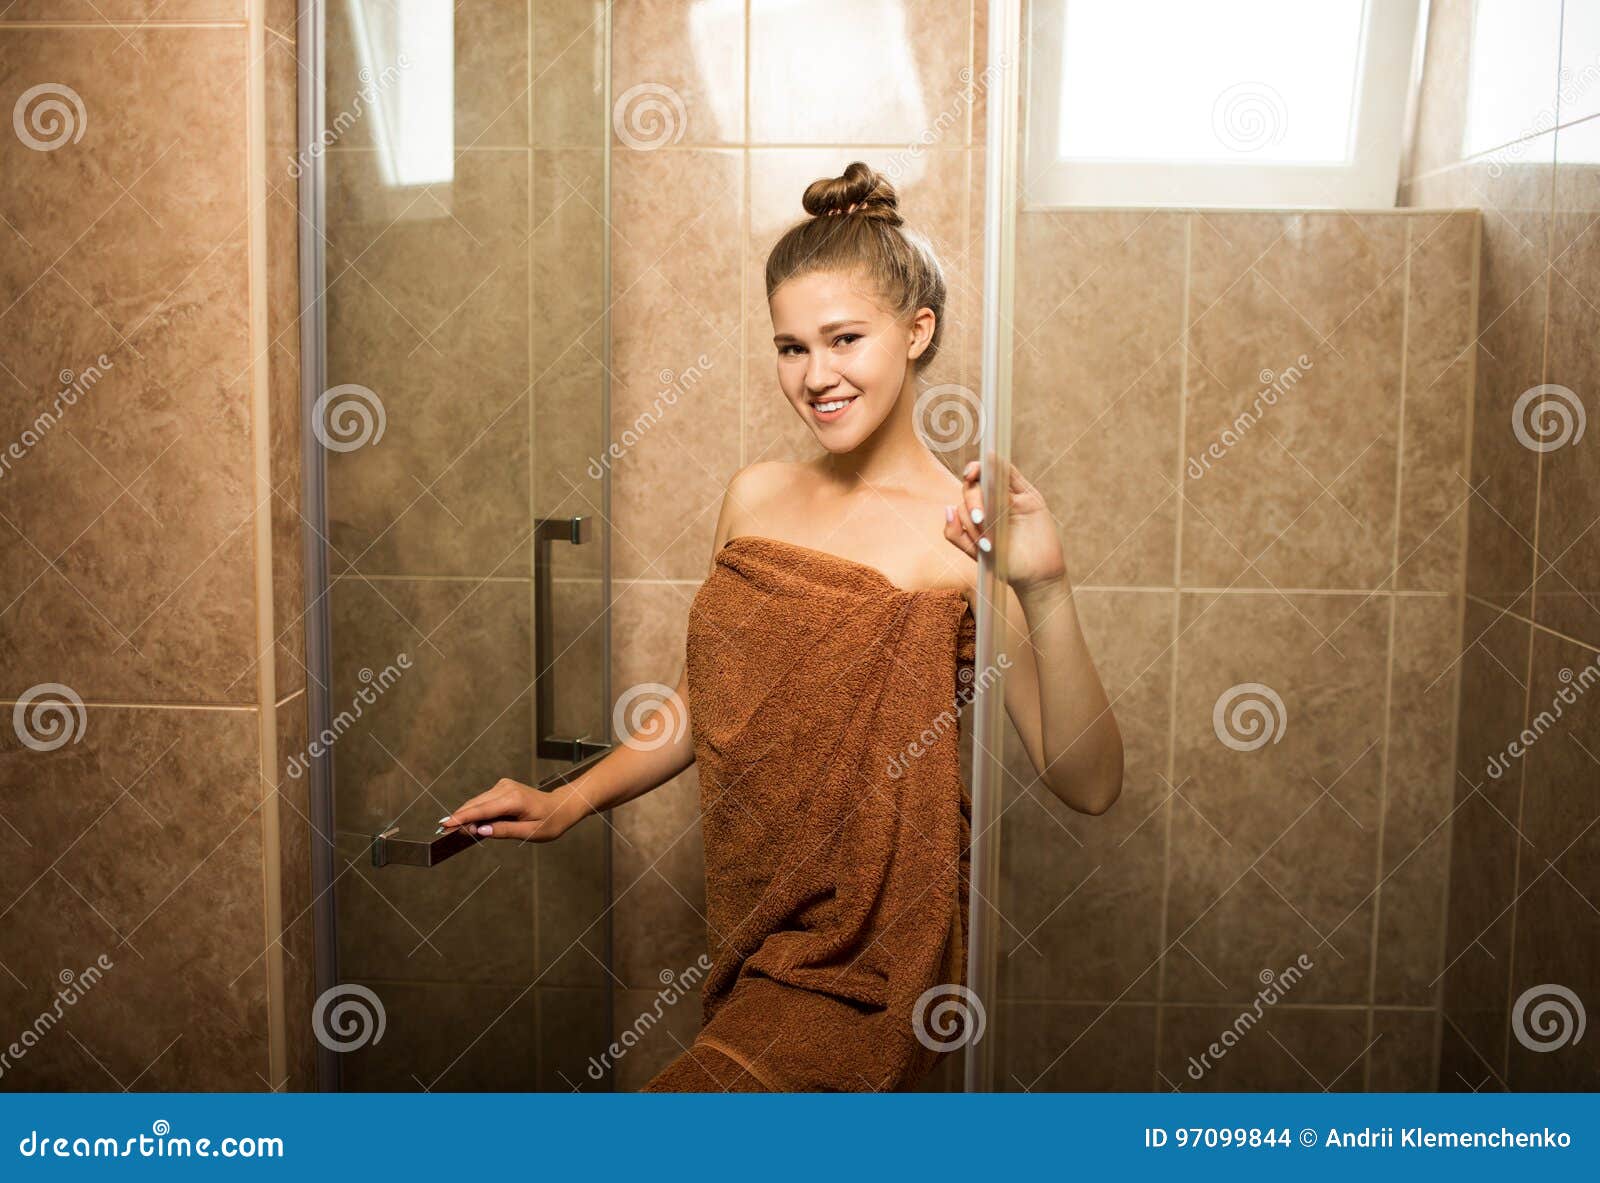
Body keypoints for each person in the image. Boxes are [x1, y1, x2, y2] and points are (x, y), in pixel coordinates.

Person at [441, 161, 1123, 1090]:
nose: (816, 376)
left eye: (845, 339)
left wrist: (1044, 587)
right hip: (749, 934)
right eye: (791, 347)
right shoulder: (754, 498)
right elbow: (701, 706)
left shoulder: (962, 538)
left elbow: (1088, 781)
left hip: (876, 964)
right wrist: (569, 801)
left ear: (917, 332)